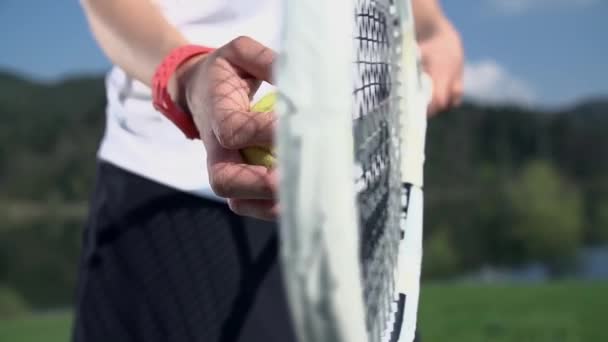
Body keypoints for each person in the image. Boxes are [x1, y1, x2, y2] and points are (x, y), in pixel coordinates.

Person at [73, 0, 463, 341]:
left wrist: (432, 29)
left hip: (351, 194)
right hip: (173, 199)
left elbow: (416, 19)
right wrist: (186, 71)